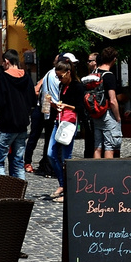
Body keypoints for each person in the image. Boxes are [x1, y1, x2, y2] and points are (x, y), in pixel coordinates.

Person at [0, 50, 35, 176]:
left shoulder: (3, 77)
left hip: (7, 124)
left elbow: (0, 101)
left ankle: (3, 192)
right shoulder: (26, 76)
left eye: (3, 62)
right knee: (18, 162)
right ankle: (19, 193)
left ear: (7, 61)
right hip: (22, 125)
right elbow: (32, 99)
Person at [49, 59, 84, 201]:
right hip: (59, 121)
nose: (59, 79)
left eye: (61, 76)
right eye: (57, 76)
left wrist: (66, 106)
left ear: (68, 72)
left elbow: (80, 108)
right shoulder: (62, 86)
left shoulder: (77, 86)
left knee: (66, 158)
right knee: (50, 154)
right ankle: (63, 184)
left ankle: (68, 191)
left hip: (70, 123)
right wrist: (55, 106)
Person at [91, 45, 122, 158]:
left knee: (97, 146)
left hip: (96, 113)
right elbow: (113, 100)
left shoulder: (94, 74)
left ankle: (96, 173)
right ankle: (109, 173)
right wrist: (118, 117)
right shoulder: (109, 76)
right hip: (107, 114)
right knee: (110, 146)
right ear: (114, 59)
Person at [22, 49, 46, 174]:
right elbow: (35, 91)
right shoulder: (48, 76)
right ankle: (27, 161)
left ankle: (45, 162)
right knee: (34, 136)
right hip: (40, 109)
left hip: (49, 111)